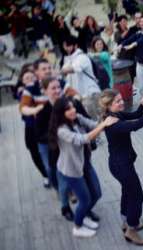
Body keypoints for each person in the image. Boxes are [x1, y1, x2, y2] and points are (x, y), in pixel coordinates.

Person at [99, 89, 143, 245]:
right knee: (137, 196)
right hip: (121, 166)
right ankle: (131, 229)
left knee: (127, 192)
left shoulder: (116, 115)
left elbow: (134, 116)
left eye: (120, 99)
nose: (121, 102)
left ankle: (127, 222)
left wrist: (141, 104)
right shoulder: (113, 123)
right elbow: (137, 124)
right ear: (108, 106)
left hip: (121, 164)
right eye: (117, 101)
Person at [48, 97, 117, 238]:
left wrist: (106, 117)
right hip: (71, 170)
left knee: (96, 193)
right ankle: (78, 226)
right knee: (84, 199)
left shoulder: (77, 117)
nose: (73, 110)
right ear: (61, 113)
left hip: (85, 163)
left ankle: (84, 214)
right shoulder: (61, 130)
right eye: (68, 109)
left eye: (73, 107)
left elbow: (94, 124)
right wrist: (103, 125)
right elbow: (82, 139)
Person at [36, 77, 78, 221]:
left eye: (58, 87)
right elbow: (39, 134)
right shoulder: (42, 111)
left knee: (67, 180)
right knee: (55, 175)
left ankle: (70, 206)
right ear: (45, 91)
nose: (57, 90)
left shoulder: (67, 105)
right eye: (53, 88)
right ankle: (64, 201)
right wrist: (57, 135)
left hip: (67, 149)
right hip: (51, 148)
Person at [17, 70, 48, 187]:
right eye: (27, 78)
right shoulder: (23, 92)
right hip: (30, 127)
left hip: (42, 126)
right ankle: (45, 175)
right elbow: (22, 102)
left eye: (32, 77)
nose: (30, 80)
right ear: (23, 82)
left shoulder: (39, 90)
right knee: (33, 151)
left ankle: (49, 173)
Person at [61, 36, 101, 120]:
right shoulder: (69, 59)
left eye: (68, 45)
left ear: (75, 46)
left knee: (95, 122)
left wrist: (58, 72)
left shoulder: (82, 57)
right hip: (80, 98)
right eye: (65, 46)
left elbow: (73, 69)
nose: (66, 48)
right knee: (90, 124)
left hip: (90, 95)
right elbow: (65, 75)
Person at [118, 16, 143, 99]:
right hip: (140, 66)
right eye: (140, 22)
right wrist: (121, 45)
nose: (142, 23)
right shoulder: (138, 34)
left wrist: (134, 44)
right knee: (142, 89)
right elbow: (129, 40)